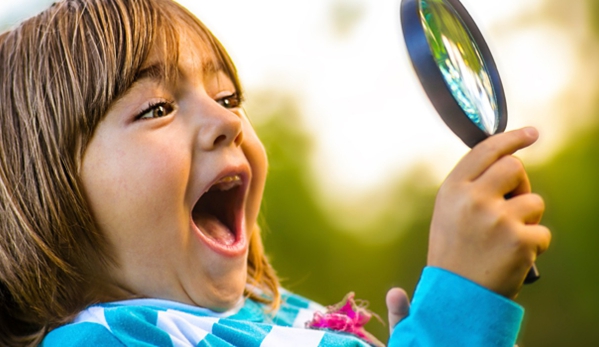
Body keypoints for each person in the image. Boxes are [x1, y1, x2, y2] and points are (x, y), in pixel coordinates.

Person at [0, 0, 550, 346]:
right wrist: (453, 318)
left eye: (227, 95)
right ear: (46, 195)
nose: (226, 120)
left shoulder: (276, 316)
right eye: (156, 109)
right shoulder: (106, 341)